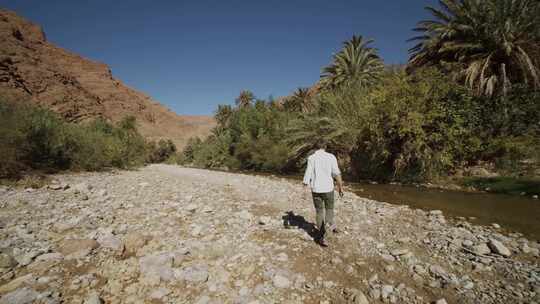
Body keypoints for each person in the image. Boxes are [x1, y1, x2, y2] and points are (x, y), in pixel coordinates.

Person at [302, 141, 344, 247]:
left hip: (316, 189)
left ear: (315, 147)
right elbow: (336, 173)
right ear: (325, 147)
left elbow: (308, 173)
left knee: (319, 211)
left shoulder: (311, 158)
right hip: (328, 188)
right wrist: (340, 187)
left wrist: (304, 188)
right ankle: (328, 230)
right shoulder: (331, 157)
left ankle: (321, 236)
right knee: (329, 209)